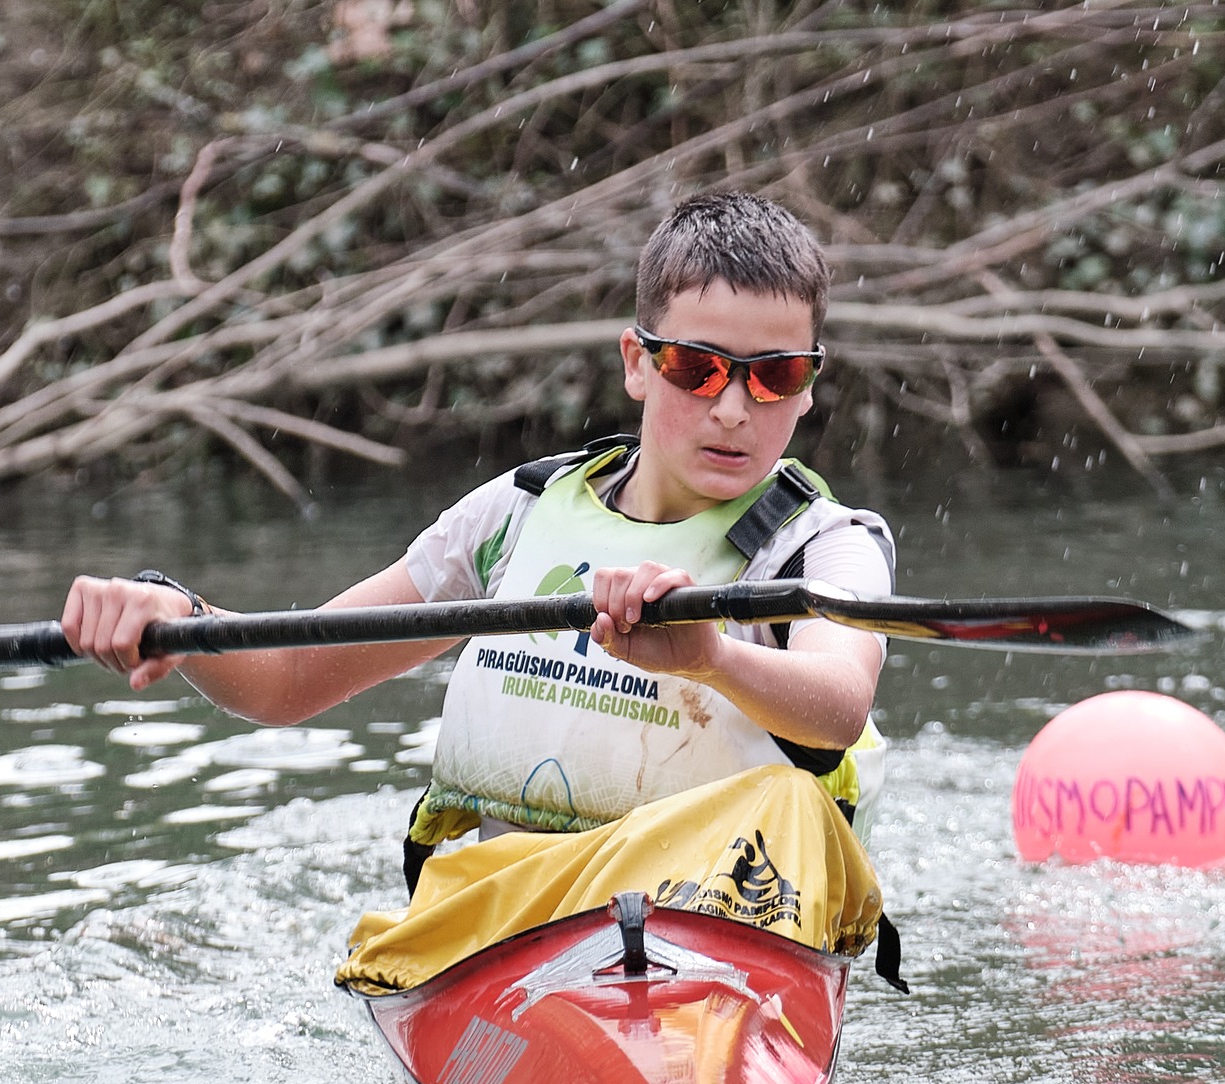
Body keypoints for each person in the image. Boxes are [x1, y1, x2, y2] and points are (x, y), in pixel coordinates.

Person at [63, 191, 896, 882]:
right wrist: (177, 612)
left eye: (776, 375)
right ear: (637, 363)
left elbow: (838, 707)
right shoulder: (514, 514)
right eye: (697, 366)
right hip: (509, 927)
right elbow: (287, 682)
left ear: (810, 385)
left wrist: (713, 657)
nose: (733, 407)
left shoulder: (828, 547)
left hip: (722, 928)